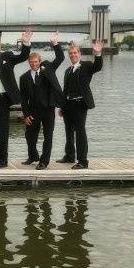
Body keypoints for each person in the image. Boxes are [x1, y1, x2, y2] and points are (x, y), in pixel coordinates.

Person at [0, 30, 32, 168]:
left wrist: (26, 43)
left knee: (2, 130)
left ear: (0, 44)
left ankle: (2, 159)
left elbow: (23, 56)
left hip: (2, 98)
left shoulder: (7, 56)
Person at [19, 32, 65, 170]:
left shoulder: (48, 69)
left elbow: (60, 58)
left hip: (48, 110)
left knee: (48, 137)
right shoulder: (24, 77)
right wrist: (26, 114)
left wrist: (55, 44)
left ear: (39, 62)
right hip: (33, 111)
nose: (34, 64)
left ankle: (44, 162)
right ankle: (33, 156)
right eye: (31, 62)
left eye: (36, 62)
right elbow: (23, 98)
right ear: (29, 63)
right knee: (30, 136)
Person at [56, 40, 104, 169]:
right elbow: (65, 89)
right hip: (68, 105)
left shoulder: (87, 65)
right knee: (68, 131)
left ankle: (83, 161)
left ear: (79, 53)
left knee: (80, 132)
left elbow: (98, 67)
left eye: (75, 53)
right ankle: (70, 156)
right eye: (70, 53)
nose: (72, 55)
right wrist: (61, 106)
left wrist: (98, 53)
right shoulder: (67, 70)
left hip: (80, 104)